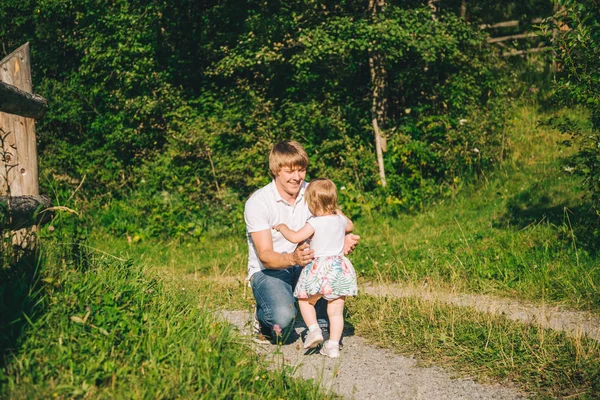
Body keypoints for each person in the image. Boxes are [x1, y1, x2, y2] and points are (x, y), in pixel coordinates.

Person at [244, 140, 359, 345]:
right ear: (275, 170)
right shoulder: (258, 202)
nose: (297, 177)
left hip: (311, 265)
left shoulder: (313, 193)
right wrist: (293, 258)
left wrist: (342, 239)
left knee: (326, 332)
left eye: (302, 170)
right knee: (282, 325)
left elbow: (338, 221)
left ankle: (312, 315)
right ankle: (263, 319)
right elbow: (266, 256)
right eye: (290, 171)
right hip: (270, 270)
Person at [274, 178, 358, 358]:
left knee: (305, 300)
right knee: (335, 311)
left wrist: (282, 228)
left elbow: (296, 237)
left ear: (311, 203)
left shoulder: (314, 222)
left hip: (319, 269)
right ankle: (333, 345)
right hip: (338, 269)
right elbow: (350, 225)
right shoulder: (341, 220)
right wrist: (339, 212)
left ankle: (314, 330)